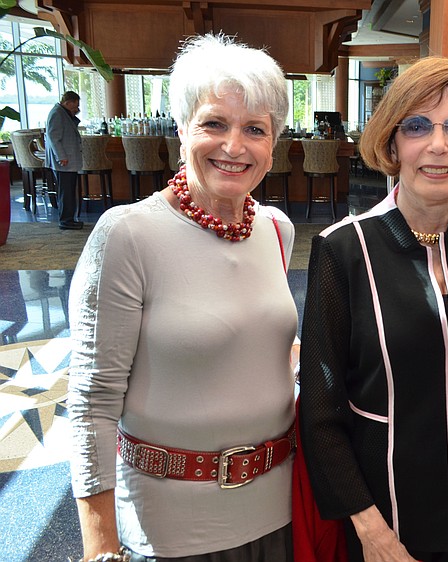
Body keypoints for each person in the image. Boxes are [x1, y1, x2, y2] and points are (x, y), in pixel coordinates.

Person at [67, 34, 298, 562]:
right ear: (181, 128)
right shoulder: (127, 235)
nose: (234, 146)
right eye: (214, 123)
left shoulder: (276, 229)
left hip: (281, 511)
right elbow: (91, 404)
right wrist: (100, 548)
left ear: (274, 143)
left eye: (255, 130)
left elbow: (260, 338)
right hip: (174, 530)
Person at [299, 56, 448, 562]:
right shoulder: (344, 249)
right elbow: (320, 414)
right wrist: (371, 531)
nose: (438, 145)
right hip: (389, 517)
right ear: (392, 142)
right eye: (417, 126)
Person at [44, 90, 83, 229]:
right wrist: (61, 156)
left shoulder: (63, 113)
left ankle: (69, 219)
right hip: (64, 161)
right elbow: (53, 137)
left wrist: (74, 113)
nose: (76, 108)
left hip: (68, 160)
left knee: (69, 190)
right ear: (68, 102)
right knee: (66, 191)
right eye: (74, 105)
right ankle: (66, 221)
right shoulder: (57, 114)